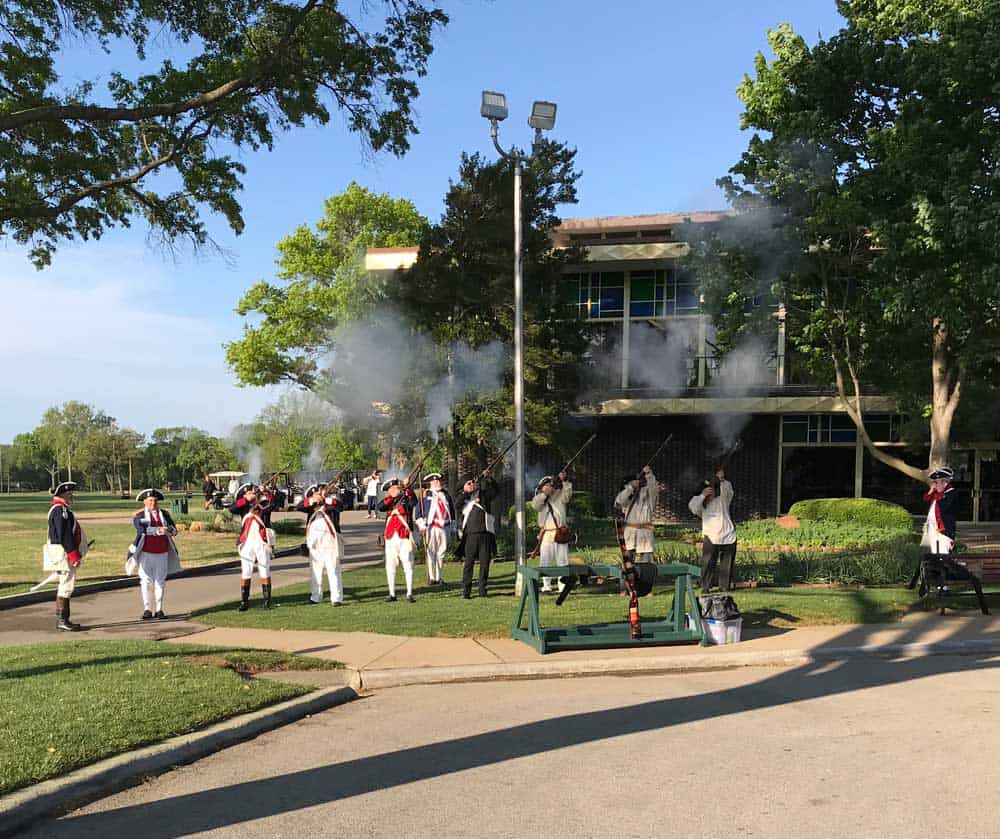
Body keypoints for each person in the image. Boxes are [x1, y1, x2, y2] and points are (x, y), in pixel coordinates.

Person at [129, 488, 181, 619]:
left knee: (160, 581)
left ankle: (159, 609)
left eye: (155, 501)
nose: (153, 503)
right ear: (145, 502)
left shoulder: (164, 514)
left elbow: (174, 530)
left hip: (162, 552)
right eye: (150, 500)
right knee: (145, 581)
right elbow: (142, 530)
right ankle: (147, 609)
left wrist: (169, 530)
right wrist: (159, 530)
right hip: (146, 552)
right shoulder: (140, 515)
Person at [45, 481, 87, 631]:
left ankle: (63, 619)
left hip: (64, 551)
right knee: (66, 585)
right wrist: (74, 555)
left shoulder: (61, 509)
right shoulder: (59, 510)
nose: (72, 496)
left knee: (66, 584)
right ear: (63, 494)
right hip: (63, 552)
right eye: (69, 494)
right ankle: (62, 620)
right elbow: (64, 535)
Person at [688, 465, 737, 592]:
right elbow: (693, 508)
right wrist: (703, 495)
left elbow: (728, 490)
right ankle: (705, 586)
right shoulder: (700, 499)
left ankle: (724, 587)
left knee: (727, 564)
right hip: (711, 534)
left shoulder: (724, 493)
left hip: (728, 533)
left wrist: (721, 480)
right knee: (708, 563)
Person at [229, 483, 274, 611]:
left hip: (262, 542)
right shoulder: (243, 506)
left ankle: (267, 601)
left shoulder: (263, 503)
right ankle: (244, 601)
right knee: (246, 571)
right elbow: (232, 508)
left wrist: (266, 492)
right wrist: (246, 499)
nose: (252, 494)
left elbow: (273, 504)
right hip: (247, 542)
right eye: (248, 493)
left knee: (264, 570)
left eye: (252, 492)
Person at [299, 483, 344, 606]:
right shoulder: (311, 506)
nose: (321, 492)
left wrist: (325, 500)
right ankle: (315, 596)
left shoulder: (331, 503)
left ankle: (336, 598)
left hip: (330, 541)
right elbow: (300, 506)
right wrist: (313, 500)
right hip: (315, 542)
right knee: (315, 570)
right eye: (317, 492)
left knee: (333, 569)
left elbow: (340, 506)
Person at [531, 472, 573, 593]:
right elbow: (536, 506)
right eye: (546, 485)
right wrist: (544, 494)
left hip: (560, 533)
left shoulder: (560, 494)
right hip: (546, 534)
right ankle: (546, 585)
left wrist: (564, 481)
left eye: (550, 485)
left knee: (562, 561)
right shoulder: (540, 497)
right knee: (545, 561)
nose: (549, 487)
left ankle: (563, 586)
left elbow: (567, 495)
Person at [458, 474, 498, 599]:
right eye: (469, 483)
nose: (472, 485)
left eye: (473, 483)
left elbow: (495, 491)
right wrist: (466, 492)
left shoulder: (484, 495)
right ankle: (466, 591)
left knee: (485, 563)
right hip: (471, 534)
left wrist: (490, 479)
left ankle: (482, 590)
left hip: (485, 532)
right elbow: (457, 504)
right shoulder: (463, 496)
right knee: (469, 563)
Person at [379, 478, 418, 602]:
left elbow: (413, 502)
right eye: (391, 489)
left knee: (408, 564)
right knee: (390, 566)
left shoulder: (406, 498)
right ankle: (392, 594)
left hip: (404, 535)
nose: (393, 490)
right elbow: (380, 507)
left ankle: (409, 593)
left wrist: (408, 488)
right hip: (390, 536)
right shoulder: (389, 500)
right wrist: (392, 497)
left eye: (395, 488)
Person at [415, 472, 455, 586]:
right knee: (431, 552)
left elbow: (451, 511)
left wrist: (453, 526)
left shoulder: (446, 494)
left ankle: (439, 577)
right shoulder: (426, 494)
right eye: (435, 481)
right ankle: (432, 577)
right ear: (431, 483)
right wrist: (421, 525)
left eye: (438, 481)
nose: (437, 483)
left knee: (441, 552)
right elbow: (418, 512)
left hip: (444, 526)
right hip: (431, 527)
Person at [615, 466, 659, 566]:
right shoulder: (626, 495)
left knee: (647, 566)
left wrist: (649, 474)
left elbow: (653, 488)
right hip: (630, 533)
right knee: (628, 566)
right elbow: (619, 502)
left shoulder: (648, 496)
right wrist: (631, 488)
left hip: (645, 533)